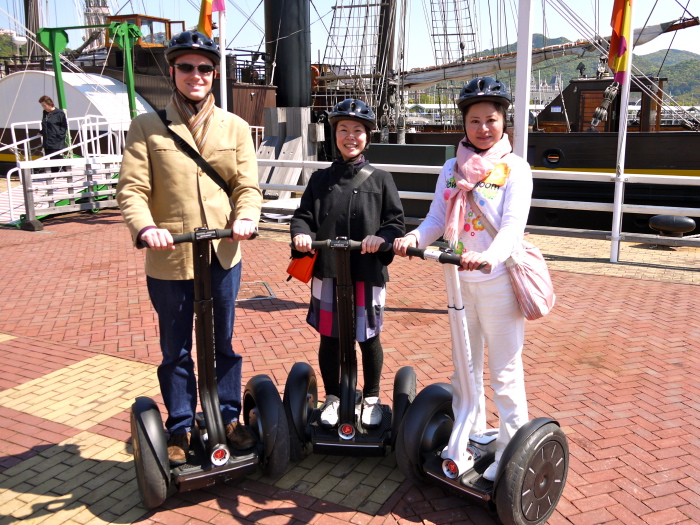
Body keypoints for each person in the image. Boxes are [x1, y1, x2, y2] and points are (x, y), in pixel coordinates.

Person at [116, 30, 263, 465]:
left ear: (214, 74)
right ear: (173, 71)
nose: (195, 75)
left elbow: (246, 186)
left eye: (204, 67)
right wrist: (145, 227)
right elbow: (132, 190)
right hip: (169, 256)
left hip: (221, 254)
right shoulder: (147, 125)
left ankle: (229, 416)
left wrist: (247, 216)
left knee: (223, 343)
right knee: (176, 348)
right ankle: (180, 425)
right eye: (186, 67)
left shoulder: (234, 126)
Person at [393, 77, 532, 481]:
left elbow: (510, 228)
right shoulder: (452, 169)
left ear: (503, 121)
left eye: (491, 119)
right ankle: (469, 434)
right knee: (464, 369)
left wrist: (487, 258)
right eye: (475, 120)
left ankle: (510, 452)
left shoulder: (515, 170)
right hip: (460, 282)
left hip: (498, 281)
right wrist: (414, 237)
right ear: (464, 124)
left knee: (504, 374)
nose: (483, 128)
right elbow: (438, 218)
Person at [290, 99, 405, 428]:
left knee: (368, 338)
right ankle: (334, 396)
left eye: (357, 131)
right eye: (343, 130)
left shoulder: (381, 179)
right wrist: (301, 236)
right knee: (330, 338)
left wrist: (381, 238)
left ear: (367, 136)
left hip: (366, 273)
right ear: (334, 134)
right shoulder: (319, 179)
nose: (350, 136)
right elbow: (303, 218)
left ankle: (370, 396)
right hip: (328, 269)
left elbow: (395, 223)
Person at [38, 95, 67, 172]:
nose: (44, 107)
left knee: (56, 157)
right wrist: (42, 132)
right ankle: (54, 175)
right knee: (49, 158)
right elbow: (45, 124)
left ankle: (67, 169)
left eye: (44, 105)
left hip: (56, 140)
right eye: (42, 106)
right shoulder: (45, 113)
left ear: (50, 104)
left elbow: (64, 127)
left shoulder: (59, 113)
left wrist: (60, 135)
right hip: (47, 140)